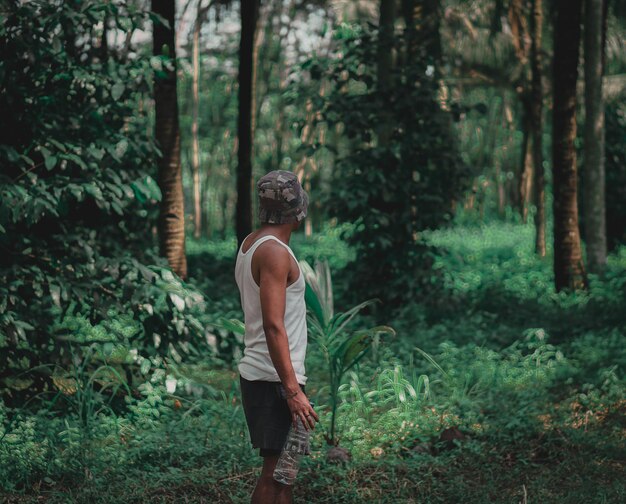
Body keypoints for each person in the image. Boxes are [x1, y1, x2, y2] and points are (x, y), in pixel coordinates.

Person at [235, 170, 319, 504]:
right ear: (298, 209)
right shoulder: (274, 253)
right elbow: (273, 325)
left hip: (274, 378)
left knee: (285, 475)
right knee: (275, 476)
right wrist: (292, 391)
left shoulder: (251, 243)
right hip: (275, 382)